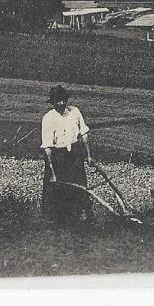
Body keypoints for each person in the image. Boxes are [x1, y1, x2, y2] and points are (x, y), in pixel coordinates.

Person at [41, 85, 95, 228]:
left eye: (63, 100)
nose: (61, 104)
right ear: (52, 102)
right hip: (57, 156)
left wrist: (89, 156)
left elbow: (84, 133)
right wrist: (52, 171)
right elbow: (47, 147)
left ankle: (84, 214)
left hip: (75, 154)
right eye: (57, 101)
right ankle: (55, 221)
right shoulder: (48, 118)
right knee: (57, 188)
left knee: (81, 186)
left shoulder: (74, 112)